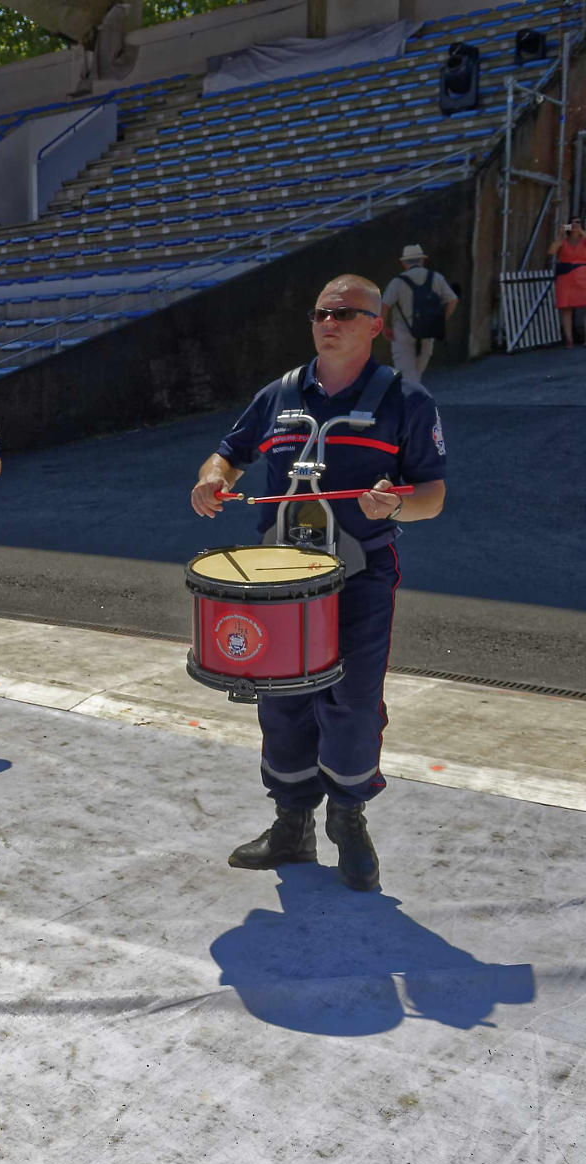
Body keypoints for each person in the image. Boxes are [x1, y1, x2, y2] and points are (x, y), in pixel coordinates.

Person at [190, 275, 447, 891]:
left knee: (352, 702)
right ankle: (291, 826)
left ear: (375, 324)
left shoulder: (405, 400)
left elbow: (432, 496)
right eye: (320, 312)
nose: (329, 322)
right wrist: (211, 477)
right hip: (279, 579)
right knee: (280, 702)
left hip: (357, 579)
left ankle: (349, 820)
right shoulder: (279, 395)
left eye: (345, 313)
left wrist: (397, 506)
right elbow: (229, 451)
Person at [379, 244, 457, 386]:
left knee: (407, 377)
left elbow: (384, 305)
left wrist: (384, 327)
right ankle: (415, 403)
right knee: (417, 374)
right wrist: (440, 320)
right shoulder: (436, 278)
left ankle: (410, 405)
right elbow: (452, 300)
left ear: (403, 263)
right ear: (422, 261)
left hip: (402, 333)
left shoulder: (397, 282)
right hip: (428, 331)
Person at [548, 216, 586, 347]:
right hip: (565, 277)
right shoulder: (563, 241)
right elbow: (552, 251)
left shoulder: (583, 239)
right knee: (566, 308)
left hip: (582, 276)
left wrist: (582, 232)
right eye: (573, 223)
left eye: (578, 222)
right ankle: (569, 339)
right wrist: (560, 235)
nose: (575, 225)